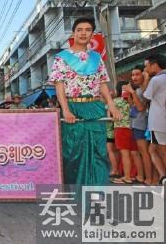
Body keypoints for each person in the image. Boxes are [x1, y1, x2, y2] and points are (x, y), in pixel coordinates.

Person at [49, 17, 121, 186]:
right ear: (73, 33)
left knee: (98, 152)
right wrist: (65, 110)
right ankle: (76, 195)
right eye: (79, 29)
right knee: (73, 152)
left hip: (95, 107)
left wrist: (111, 105)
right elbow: (59, 87)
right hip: (73, 106)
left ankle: (98, 195)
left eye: (87, 30)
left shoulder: (97, 57)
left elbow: (102, 83)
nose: (83, 33)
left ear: (92, 34)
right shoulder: (61, 58)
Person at [124, 65, 152, 185]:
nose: (134, 77)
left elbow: (140, 108)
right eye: (133, 75)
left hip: (141, 124)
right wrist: (130, 95)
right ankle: (144, 177)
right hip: (136, 123)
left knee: (144, 152)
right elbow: (134, 107)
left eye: (137, 74)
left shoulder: (144, 90)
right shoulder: (139, 90)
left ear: (144, 75)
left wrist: (132, 93)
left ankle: (149, 179)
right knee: (141, 152)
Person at [112, 81, 144, 184]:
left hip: (121, 128)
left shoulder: (116, 101)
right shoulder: (133, 100)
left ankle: (127, 177)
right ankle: (140, 176)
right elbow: (134, 109)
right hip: (132, 127)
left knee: (124, 153)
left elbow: (108, 110)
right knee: (135, 153)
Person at [143, 54, 166, 186]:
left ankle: (164, 177)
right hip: (160, 120)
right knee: (152, 150)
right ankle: (162, 177)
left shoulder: (156, 80)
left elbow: (146, 96)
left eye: (147, 66)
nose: (145, 69)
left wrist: (146, 79)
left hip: (159, 121)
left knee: (161, 151)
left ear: (155, 65)